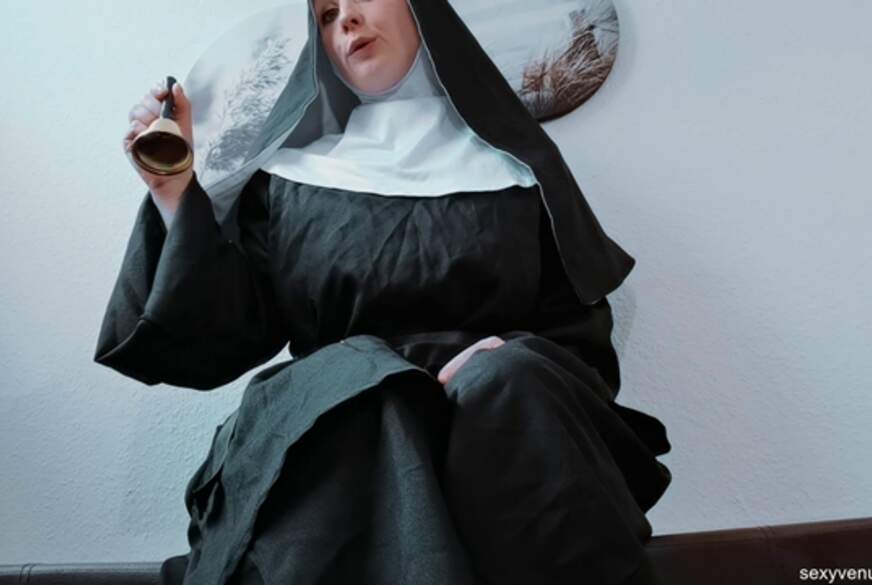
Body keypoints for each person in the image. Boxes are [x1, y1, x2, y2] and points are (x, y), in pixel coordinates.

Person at [100, 0, 673, 583]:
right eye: (326, 14)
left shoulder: (520, 174)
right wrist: (175, 191)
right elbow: (223, 332)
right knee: (376, 394)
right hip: (342, 420)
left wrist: (498, 357)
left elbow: (581, 343)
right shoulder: (289, 182)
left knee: (507, 380)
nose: (346, 21)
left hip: (502, 424)